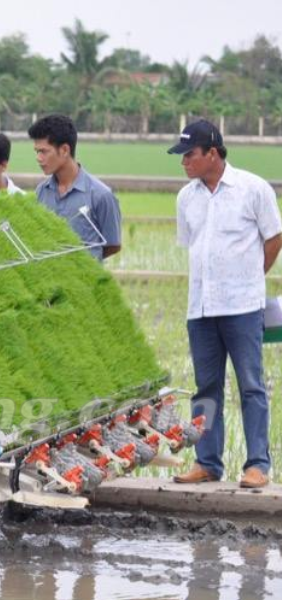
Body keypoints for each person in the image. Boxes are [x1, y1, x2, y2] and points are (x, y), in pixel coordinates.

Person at [169, 119, 282, 488]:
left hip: (242, 307)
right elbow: (192, 246)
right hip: (199, 309)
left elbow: (274, 237)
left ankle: (258, 466)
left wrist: (250, 277)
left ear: (212, 154)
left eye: (190, 155)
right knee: (206, 387)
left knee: (251, 385)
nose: (184, 162)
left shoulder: (253, 189)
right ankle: (207, 462)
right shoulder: (186, 197)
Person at [28, 114, 121, 260]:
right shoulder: (41, 192)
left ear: (64, 150)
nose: (38, 158)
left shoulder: (101, 195)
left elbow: (113, 245)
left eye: (43, 151)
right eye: (37, 151)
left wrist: (83, 262)